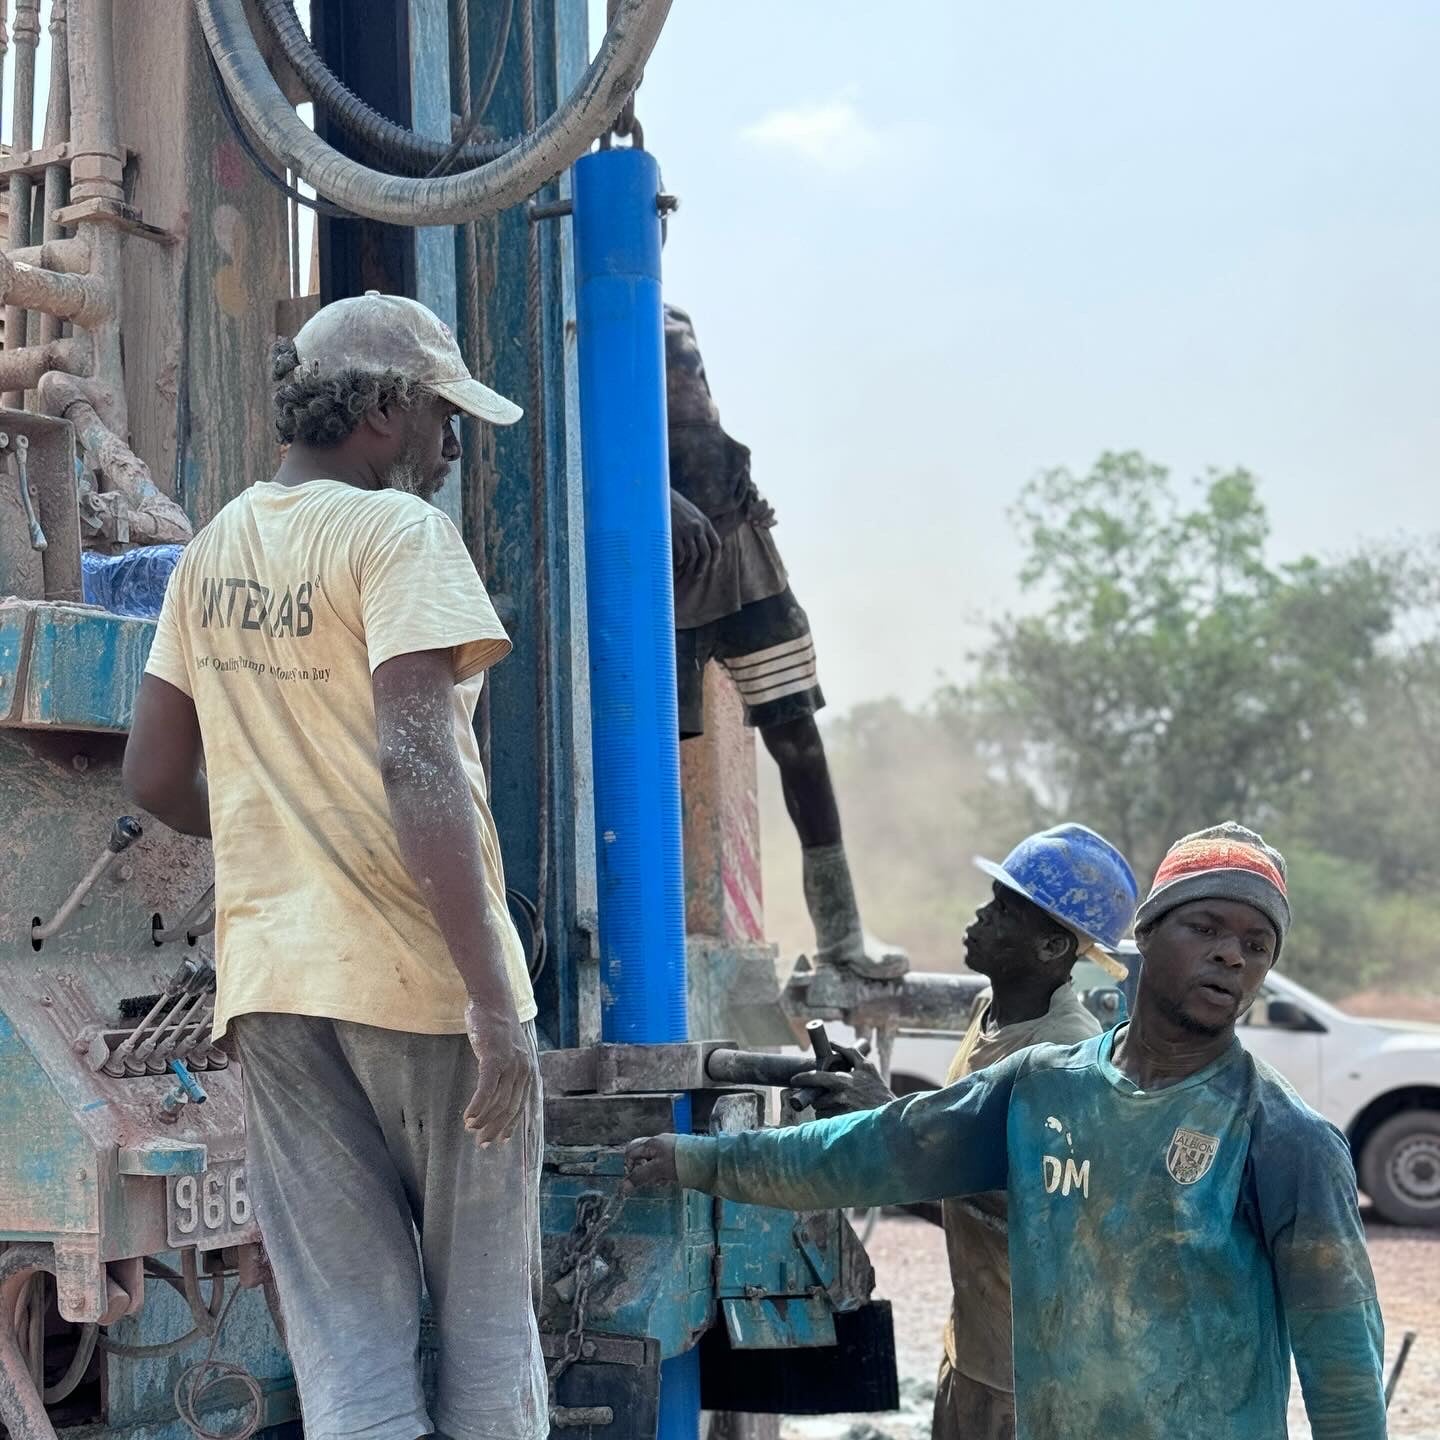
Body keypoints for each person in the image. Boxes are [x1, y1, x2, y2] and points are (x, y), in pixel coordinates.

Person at [123, 292, 548, 1440]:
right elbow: (420, 765)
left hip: (276, 993)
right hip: (424, 985)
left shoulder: (209, 551)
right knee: (488, 1344)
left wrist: (285, 824)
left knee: (351, 1358)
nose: (453, 445)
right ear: (380, 408)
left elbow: (154, 775)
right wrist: (493, 1003)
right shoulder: (397, 538)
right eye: (441, 416)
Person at [628, 823, 1388, 1439]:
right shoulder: (1043, 1086)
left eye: (1257, 945)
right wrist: (702, 1159)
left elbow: (1343, 1359)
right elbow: (871, 1151)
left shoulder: (1285, 1139)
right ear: (1145, 939)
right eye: (1207, 926)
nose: (1233, 953)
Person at [797, 825, 1138, 1440]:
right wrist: (867, 1132)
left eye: (1004, 910)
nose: (980, 916)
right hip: (977, 1347)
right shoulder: (993, 1012)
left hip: (1037, 1377)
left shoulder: (1065, 1052)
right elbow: (960, 1197)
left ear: (1051, 947)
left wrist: (894, 1120)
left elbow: (1052, 1209)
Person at [665, 304, 906, 979]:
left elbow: (695, 421)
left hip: (739, 551)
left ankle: (842, 934)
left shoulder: (673, 315)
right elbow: (589, 428)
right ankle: (648, 933)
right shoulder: (583, 305)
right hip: (661, 563)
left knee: (797, 737)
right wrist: (658, 496)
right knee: (656, 759)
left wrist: (741, 486)